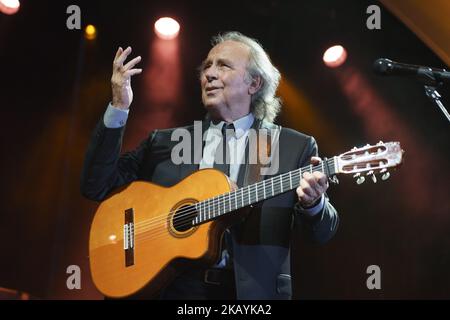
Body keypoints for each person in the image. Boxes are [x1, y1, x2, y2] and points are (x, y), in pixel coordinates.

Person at [81, 31, 339, 300]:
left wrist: (314, 204)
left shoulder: (291, 147)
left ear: (254, 83)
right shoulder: (164, 142)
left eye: (223, 65)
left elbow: (322, 234)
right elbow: (96, 185)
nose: (209, 74)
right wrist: (119, 106)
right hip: (166, 290)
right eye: (206, 66)